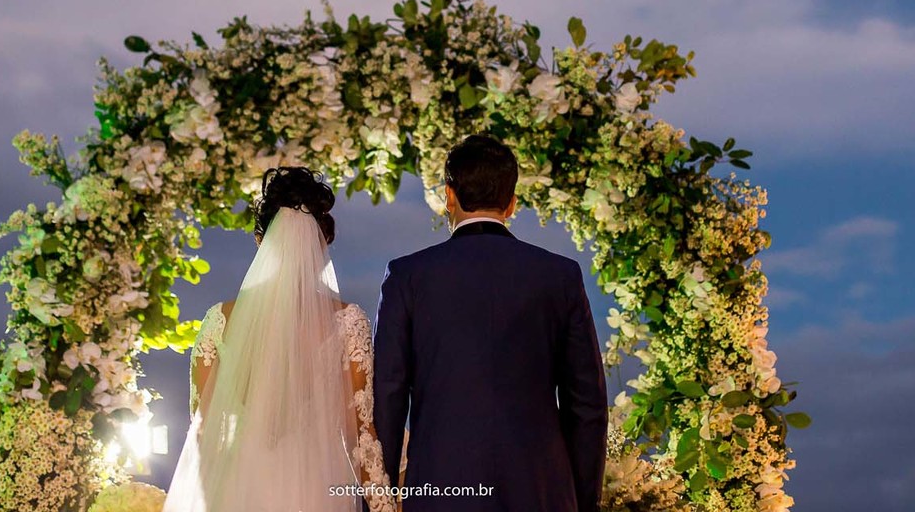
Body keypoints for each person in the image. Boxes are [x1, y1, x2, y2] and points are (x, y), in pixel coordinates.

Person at [372, 134, 608, 512]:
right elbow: (587, 405)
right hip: (542, 491)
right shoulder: (560, 276)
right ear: (512, 203)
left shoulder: (407, 276)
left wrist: (378, 500)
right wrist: (582, 500)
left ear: (449, 194)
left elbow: (387, 397)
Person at [163, 166, 397, 512]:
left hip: (239, 491)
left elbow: (201, 432)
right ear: (322, 242)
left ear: (262, 241)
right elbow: (362, 437)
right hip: (318, 490)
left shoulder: (220, 321)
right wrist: (384, 507)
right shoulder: (349, 322)